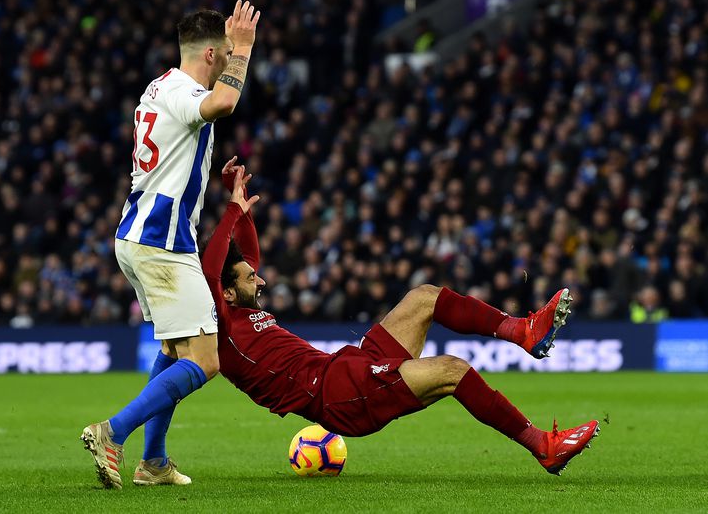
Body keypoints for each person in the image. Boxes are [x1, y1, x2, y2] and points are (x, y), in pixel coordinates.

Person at [202, 162, 599, 477]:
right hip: (338, 397)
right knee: (453, 371)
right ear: (227, 292)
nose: (262, 277)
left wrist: (234, 202)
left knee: (424, 297)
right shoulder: (222, 325)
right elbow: (212, 269)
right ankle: (544, 447)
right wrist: (232, 212)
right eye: (250, 278)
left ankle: (524, 331)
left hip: (345, 366)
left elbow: (243, 257)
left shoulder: (242, 305)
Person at [81, 1, 261, 490]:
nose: (229, 62)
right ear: (209, 52)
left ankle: (153, 462)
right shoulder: (184, 89)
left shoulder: (159, 88)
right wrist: (244, 47)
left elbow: (183, 145)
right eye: (224, 53)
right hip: (161, 242)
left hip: (142, 236)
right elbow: (223, 103)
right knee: (205, 360)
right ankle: (111, 432)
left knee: (173, 348)